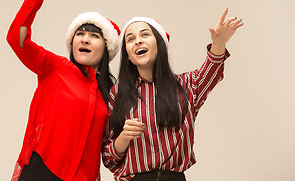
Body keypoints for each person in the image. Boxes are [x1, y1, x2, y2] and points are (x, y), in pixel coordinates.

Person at [7, 0, 121, 181]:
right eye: (80, 34)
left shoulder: (111, 94)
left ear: (107, 47)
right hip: (42, 171)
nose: (85, 39)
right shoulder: (56, 67)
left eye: (94, 36)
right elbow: (17, 40)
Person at [102, 11, 243, 180]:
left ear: (160, 45)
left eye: (145, 34)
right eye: (130, 39)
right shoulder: (117, 94)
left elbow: (212, 70)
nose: (138, 40)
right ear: (129, 57)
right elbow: (108, 158)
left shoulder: (187, 85)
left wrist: (219, 43)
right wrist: (124, 137)